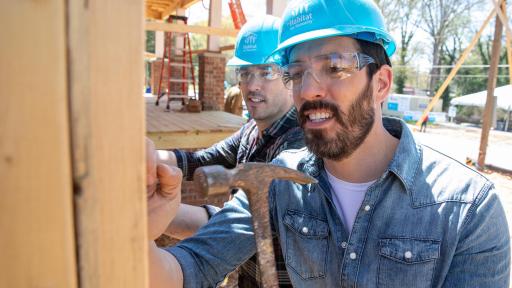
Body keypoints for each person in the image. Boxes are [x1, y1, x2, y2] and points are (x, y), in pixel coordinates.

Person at [147, 1, 511, 287]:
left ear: (381, 83)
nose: (307, 90)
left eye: (335, 66)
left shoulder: (467, 210)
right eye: (297, 73)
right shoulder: (276, 183)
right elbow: (189, 268)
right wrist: (137, 231)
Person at [152, 15, 302, 286]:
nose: (252, 85)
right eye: (245, 73)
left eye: (266, 72)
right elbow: (202, 159)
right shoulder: (251, 131)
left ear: (290, 77)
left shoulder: (298, 148)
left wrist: (156, 215)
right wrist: (151, 159)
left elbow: (237, 228)